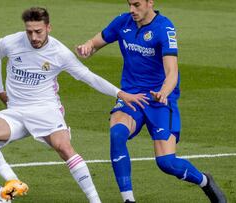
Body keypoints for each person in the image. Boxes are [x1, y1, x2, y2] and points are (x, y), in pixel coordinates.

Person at [0, 7, 149, 203]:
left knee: (64, 148)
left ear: (48, 28)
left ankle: (95, 200)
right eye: (29, 32)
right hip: (16, 111)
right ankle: (12, 181)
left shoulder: (59, 53)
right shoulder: (11, 42)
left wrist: (120, 93)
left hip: (46, 110)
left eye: (38, 31)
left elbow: (88, 77)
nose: (34, 37)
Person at [76, 0, 227, 202]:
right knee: (117, 133)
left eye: (137, 5)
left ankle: (204, 181)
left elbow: (172, 71)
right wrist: (87, 47)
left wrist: (163, 92)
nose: (131, 10)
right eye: (129, 4)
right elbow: (95, 42)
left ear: (150, 3)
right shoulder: (123, 22)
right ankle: (129, 199)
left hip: (160, 101)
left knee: (167, 163)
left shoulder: (164, 28)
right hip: (132, 97)